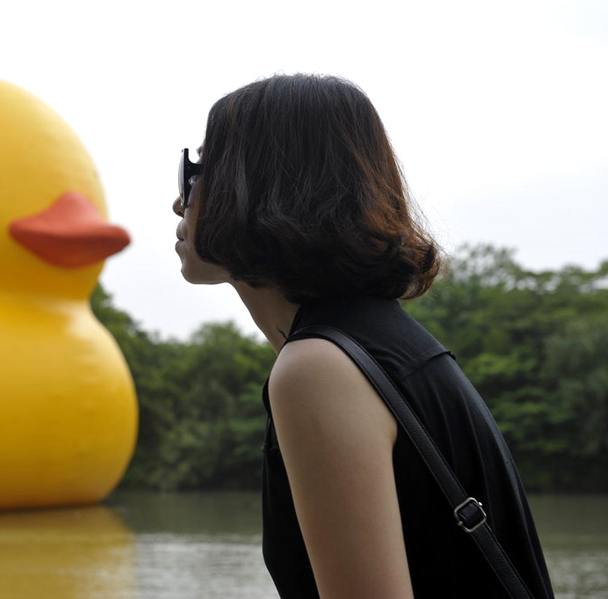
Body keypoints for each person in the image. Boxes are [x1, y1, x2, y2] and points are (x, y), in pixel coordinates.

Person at [172, 74, 554, 599]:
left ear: (254, 186)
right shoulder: (386, 346)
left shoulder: (320, 368)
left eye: (194, 173)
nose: (179, 203)